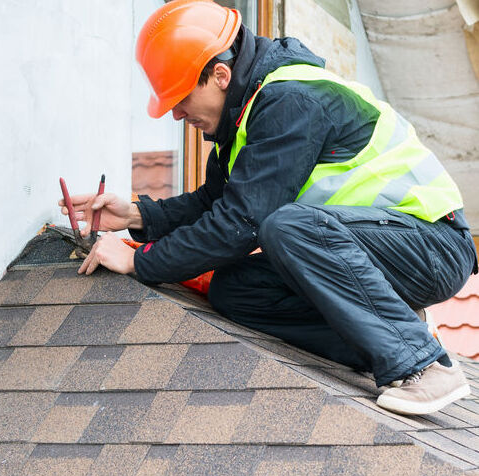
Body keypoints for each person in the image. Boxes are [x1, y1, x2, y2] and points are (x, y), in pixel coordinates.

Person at [60, 0, 478, 415]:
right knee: (235, 289)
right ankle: (391, 334)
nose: (175, 114)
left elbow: (240, 224)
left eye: (181, 97)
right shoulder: (244, 121)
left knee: (285, 227)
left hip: (433, 245)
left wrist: (141, 264)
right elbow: (216, 204)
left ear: (220, 75)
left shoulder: (291, 101)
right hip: (373, 252)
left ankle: (425, 366)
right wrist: (136, 216)